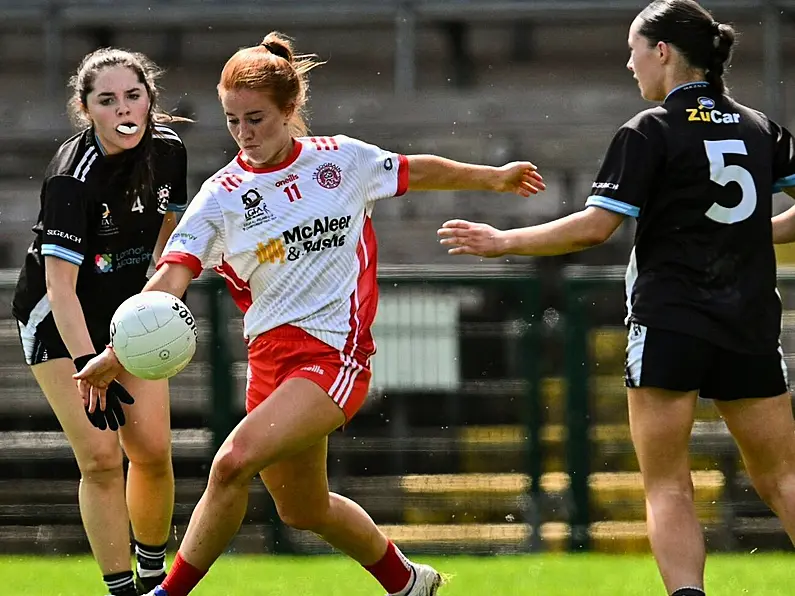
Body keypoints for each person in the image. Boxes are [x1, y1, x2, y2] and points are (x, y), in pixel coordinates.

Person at [72, 31, 545, 596]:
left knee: (229, 465)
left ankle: (166, 595)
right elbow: (170, 277)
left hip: (333, 355)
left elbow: (416, 169)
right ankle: (408, 583)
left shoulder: (341, 161)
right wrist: (116, 351)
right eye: (232, 121)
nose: (244, 135)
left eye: (256, 119)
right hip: (269, 363)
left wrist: (493, 178)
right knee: (303, 507)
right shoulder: (220, 195)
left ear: (290, 109)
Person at [438, 1, 795, 595]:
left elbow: (595, 226)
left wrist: (504, 241)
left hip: (671, 322)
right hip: (749, 322)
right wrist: (757, 229)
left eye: (633, 49)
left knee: (667, 484)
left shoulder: (648, 130)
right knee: (783, 474)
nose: (628, 64)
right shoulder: (759, 127)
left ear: (662, 52)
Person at [12, 48, 190, 596]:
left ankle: (155, 578)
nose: (123, 109)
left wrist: (151, 301)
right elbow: (59, 288)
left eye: (133, 96)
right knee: (102, 458)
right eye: (107, 100)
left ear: (150, 99)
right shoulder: (72, 178)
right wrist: (91, 365)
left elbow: (170, 229)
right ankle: (121, 591)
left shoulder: (168, 149)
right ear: (87, 110)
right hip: (60, 320)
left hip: (126, 313)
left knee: (154, 452)